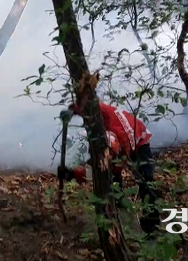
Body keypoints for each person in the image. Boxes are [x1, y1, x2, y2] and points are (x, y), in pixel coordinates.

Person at [57, 100, 161, 236]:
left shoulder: (123, 145)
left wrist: (72, 175)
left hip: (140, 142)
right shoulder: (98, 111)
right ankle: (118, 212)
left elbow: (101, 172)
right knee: (111, 180)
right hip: (113, 139)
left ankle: (151, 225)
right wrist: (72, 110)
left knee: (146, 181)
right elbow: (88, 103)